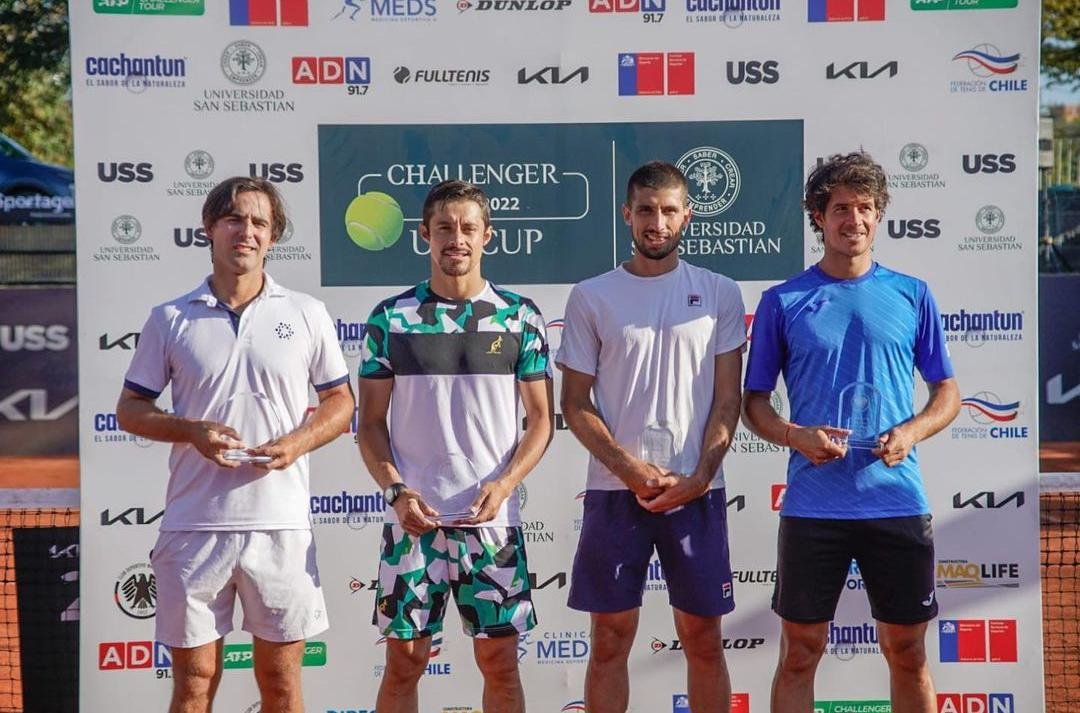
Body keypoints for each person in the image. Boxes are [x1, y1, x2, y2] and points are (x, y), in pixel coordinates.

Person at [116, 176, 355, 713]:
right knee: (195, 684)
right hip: (193, 525)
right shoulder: (171, 317)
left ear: (273, 236)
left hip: (280, 524)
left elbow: (342, 403)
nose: (245, 232)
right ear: (209, 228)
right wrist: (190, 430)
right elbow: (129, 410)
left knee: (281, 684)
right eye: (233, 219)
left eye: (259, 222)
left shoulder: (306, 312)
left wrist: (297, 442)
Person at [741, 151, 961, 713]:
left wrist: (911, 432)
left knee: (908, 650)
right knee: (799, 652)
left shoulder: (913, 294)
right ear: (819, 216)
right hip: (815, 507)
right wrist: (796, 437)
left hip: (896, 501)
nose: (854, 220)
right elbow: (754, 405)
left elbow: (948, 394)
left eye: (865, 208)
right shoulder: (782, 301)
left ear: (878, 214)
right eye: (841, 208)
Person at [356, 180, 554, 713]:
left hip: (490, 525)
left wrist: (505, 484)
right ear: (425, 235)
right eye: (444, 227)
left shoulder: (520, 316)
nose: (456, 239)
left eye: (468, 227)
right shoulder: (389, 319)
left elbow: (540, 422)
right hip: (413, 524)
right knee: (405, 663)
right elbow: (370, 423)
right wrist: (397, 491)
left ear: (488, 235)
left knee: (501, 667)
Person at [557, 161, 746, 713]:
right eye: (645, 210)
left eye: (668, 210)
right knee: (610, 642)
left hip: (697, 492)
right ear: (627, 215)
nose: (656, 222)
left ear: (687, 215)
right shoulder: (592, 296)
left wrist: (701, 477)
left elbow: (728, 400)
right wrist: (631, 470)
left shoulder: (719, 293)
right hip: (617, 494)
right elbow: (574, 404)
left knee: (704, 640)